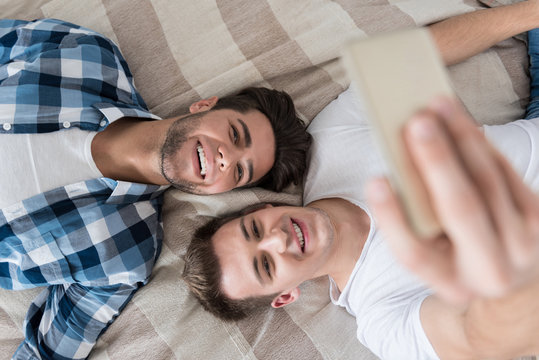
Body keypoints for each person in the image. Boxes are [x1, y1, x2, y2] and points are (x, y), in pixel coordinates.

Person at [183, 2, 539, 359]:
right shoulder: (381, 316)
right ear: (285, 295)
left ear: (263, 207)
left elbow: (410, 59)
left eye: (255, 229)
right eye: (266, 265)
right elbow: (474, 340)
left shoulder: (331, 141)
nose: (278, 238)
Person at [0, 18, 311, 359]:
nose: (226, 158)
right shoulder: (90, 57)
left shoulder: (125, 253)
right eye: (235, 135)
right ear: (205, 104)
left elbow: (48, 350)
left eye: (239, 171)